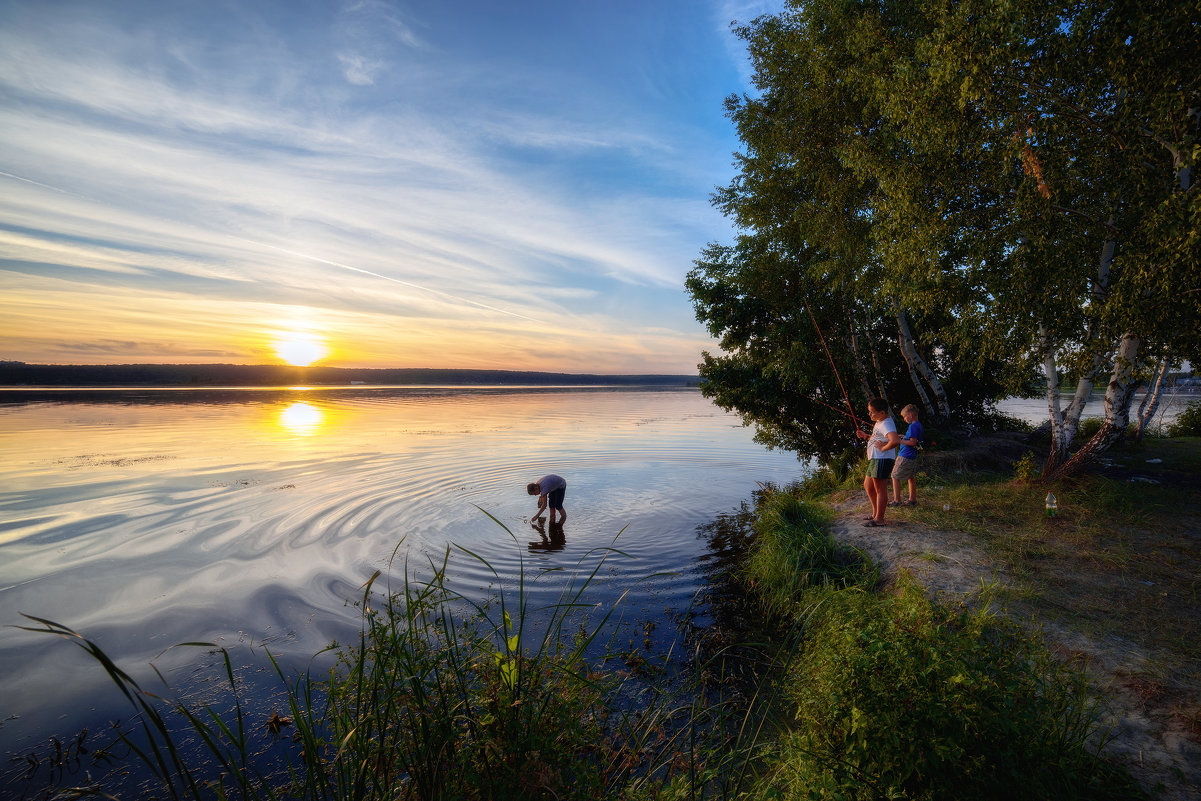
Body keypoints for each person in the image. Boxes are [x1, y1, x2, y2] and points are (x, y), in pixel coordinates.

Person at [855, 398, 900, 527]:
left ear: (881, 412)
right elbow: (879, 437)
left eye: (872, 412)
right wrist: (866, 436)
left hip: (882, 459)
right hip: (876, 459)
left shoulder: (886, 424)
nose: (869, 414)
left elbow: (895, 440)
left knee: (880, 489)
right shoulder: (880, 421)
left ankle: (879, 519)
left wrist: (883, 448)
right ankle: (875, 514)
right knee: (868, 485)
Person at [891, 404, 924, 506]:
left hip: (905, 456)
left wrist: (899, 441)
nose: (904, 419)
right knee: (910, 477)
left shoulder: (913, 426)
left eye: (904, 417)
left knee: (894, 476)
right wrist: (903, 437)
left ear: (910, 415)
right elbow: (912, 439)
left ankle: (897, 501)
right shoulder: (918, 425)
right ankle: (912, 500)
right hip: (912, 456)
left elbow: (913, 443)